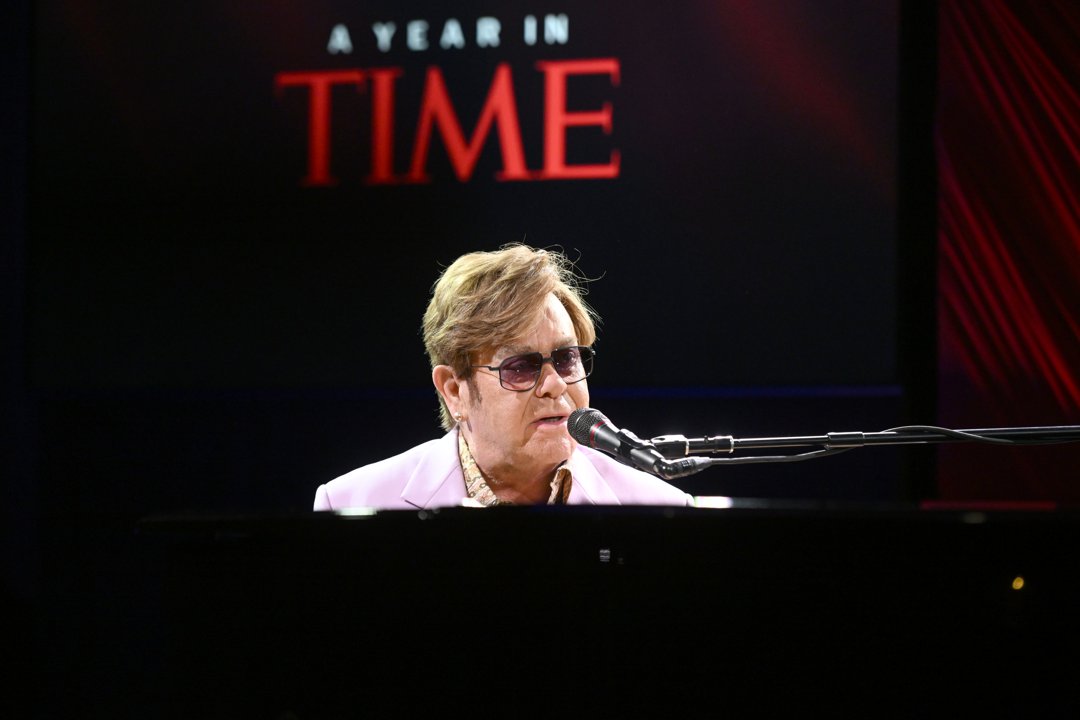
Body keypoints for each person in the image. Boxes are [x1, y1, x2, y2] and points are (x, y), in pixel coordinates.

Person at [313, 243, 693, 510]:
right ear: (454, 390)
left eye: (566, 359)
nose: (556, 384)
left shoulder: (663, 510)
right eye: (521, 367)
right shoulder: (352, 503)